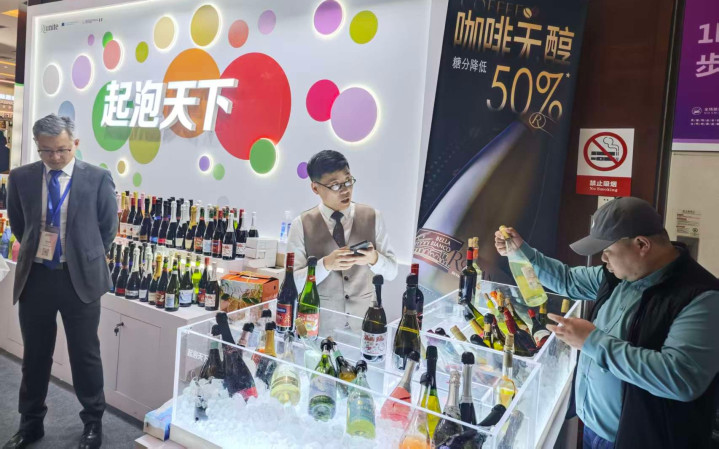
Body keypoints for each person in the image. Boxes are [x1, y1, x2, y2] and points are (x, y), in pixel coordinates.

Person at [494, 197, 719, 449]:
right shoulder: (619, 275)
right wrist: (521, 251)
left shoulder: (701, 297)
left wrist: (592, 341)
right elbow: (567, 279)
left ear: (642, 244)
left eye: (608, 250)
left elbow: (681, 378)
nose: (603, 259)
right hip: (593, 430)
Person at [4, 114, 118, 449]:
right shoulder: (21, 178)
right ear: (37, 146)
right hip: (36, 277)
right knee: (35, 355)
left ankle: (93, 422)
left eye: (62, 150)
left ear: (75, 144)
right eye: (47, 151)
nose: (55, 157)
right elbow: (19, 223)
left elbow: (107, 228)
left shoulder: (97, 178)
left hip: (79, 279)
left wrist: (82, 255)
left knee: (85, 354)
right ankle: (30, 424)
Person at [287, 150, 398, 332]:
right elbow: (292, 285)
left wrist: (374, 259)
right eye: (335, 185)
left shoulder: (373, 217)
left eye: (348, 181)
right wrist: (325, 265)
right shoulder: (300, 225)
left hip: (365, 325)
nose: (346, 190)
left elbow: (392, 272)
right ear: (315, 188)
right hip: (319, 327)